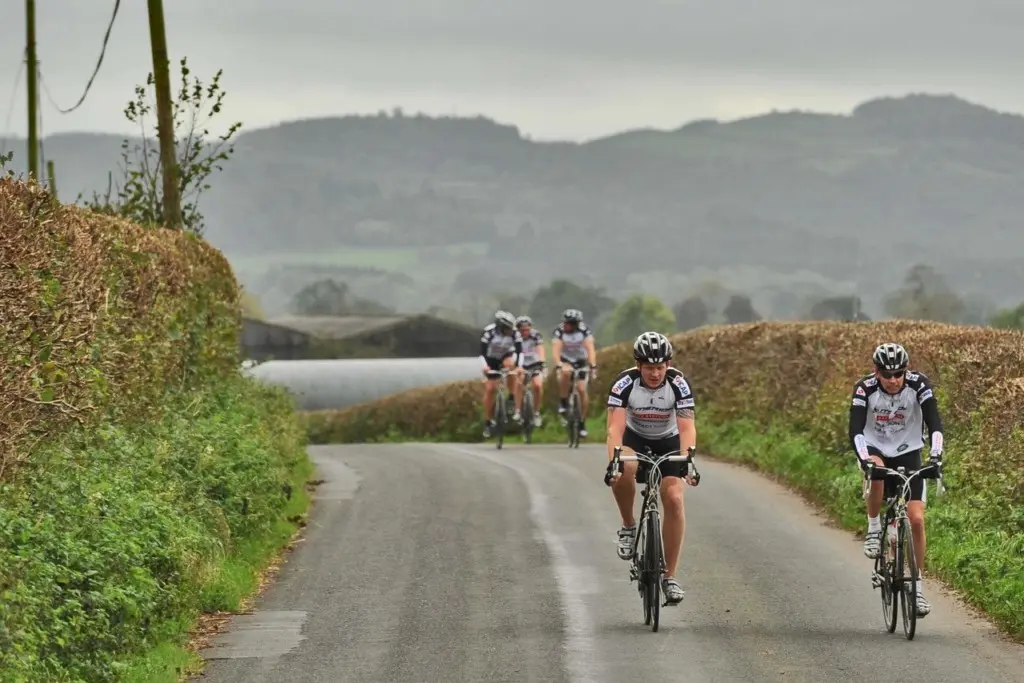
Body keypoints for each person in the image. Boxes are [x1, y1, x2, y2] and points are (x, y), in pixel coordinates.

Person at [849, 342, 944, 617]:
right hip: (874, 448)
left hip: (909, 451)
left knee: (916, 519)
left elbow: (935, 423)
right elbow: (855, 430)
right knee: (877, 472)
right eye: (886, 375)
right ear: (875, 372)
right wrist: (866, 459)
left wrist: (936, 456)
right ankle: (874, 526)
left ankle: (918, 588)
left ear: (906, 371)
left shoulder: (919, 385)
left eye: (898, 374)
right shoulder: (864, 388)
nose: (893, 380)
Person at [603, 331, 697, 605]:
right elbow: (614, 428)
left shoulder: (679, 384)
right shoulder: (624, 384)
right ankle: (629, 526)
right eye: (649, 368)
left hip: (669, 441)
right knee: (624, 468)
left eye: (659, 367)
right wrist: (614, 463)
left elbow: (687, 427)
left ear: (667, 365)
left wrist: (689, 460)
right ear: (638, 365)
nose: (655, 373)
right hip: (635, 439)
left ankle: (670, 577)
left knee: (674, 498)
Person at [551, 308, 598, 437]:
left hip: (580, 360)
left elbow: (590, 348)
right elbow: (556, 349)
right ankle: (564, 401)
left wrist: (593, 365)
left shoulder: (584, 331)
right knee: (565, 373)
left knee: (582, 390)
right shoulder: (559, 331)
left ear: (575, 324)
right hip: (565, 360)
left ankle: (582, 422)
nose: (565, 325)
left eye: (568, 323)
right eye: (564, 322)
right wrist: (558, 364)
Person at [479, 310, 524, 438]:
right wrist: (485, 367)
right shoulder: (488, 333)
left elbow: (520, 352)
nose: (510, 331)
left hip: (506, 356)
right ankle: (488, 421)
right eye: (507, 328)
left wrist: (520, 367)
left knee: (510, 367)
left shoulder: (515, 333)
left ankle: (511, 398)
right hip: (490, 359)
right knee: (490, 389)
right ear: (500, 327)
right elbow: (482, 353)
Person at [516, 315, 546, 427]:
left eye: (527, 329)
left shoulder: (535, 335)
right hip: (521, 365)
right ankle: (518, 410)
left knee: (538, 386)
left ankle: (537, 413)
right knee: (519, 382)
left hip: (534, 364)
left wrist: (542, 362)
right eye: (523, 330)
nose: (525, 332)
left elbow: (540, 349)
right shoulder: (515, 337)